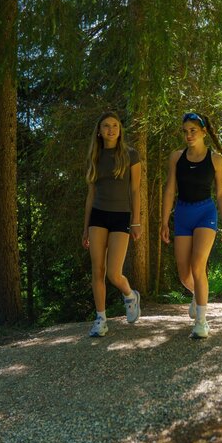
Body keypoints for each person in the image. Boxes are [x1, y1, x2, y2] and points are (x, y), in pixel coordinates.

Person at [160, 111, 222, 339]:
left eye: (193, 131)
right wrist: (164, 221)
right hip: (182, 213)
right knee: (184, 274)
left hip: (205, 213)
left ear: (203, 132)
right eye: (185, 132)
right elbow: (170, 188)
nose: (188, 135)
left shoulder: (216, 159)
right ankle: (197, 295)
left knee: (198, 266)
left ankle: (201, 322)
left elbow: (220, 194)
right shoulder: (176, 157)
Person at [82, 113, 142, 337]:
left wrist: (136, 221)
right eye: (106, 126)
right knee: (97, 270)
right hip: (98, 215)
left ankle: (129, 294)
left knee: (114, 274)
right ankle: (101, 319)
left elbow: (135, 190)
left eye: (115, 126)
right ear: (99, 130)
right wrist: (85, 227)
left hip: (121, 216)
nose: (111, 129)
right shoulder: (95, 156)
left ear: (120, 130)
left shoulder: (130, 155)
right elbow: (90, 194)